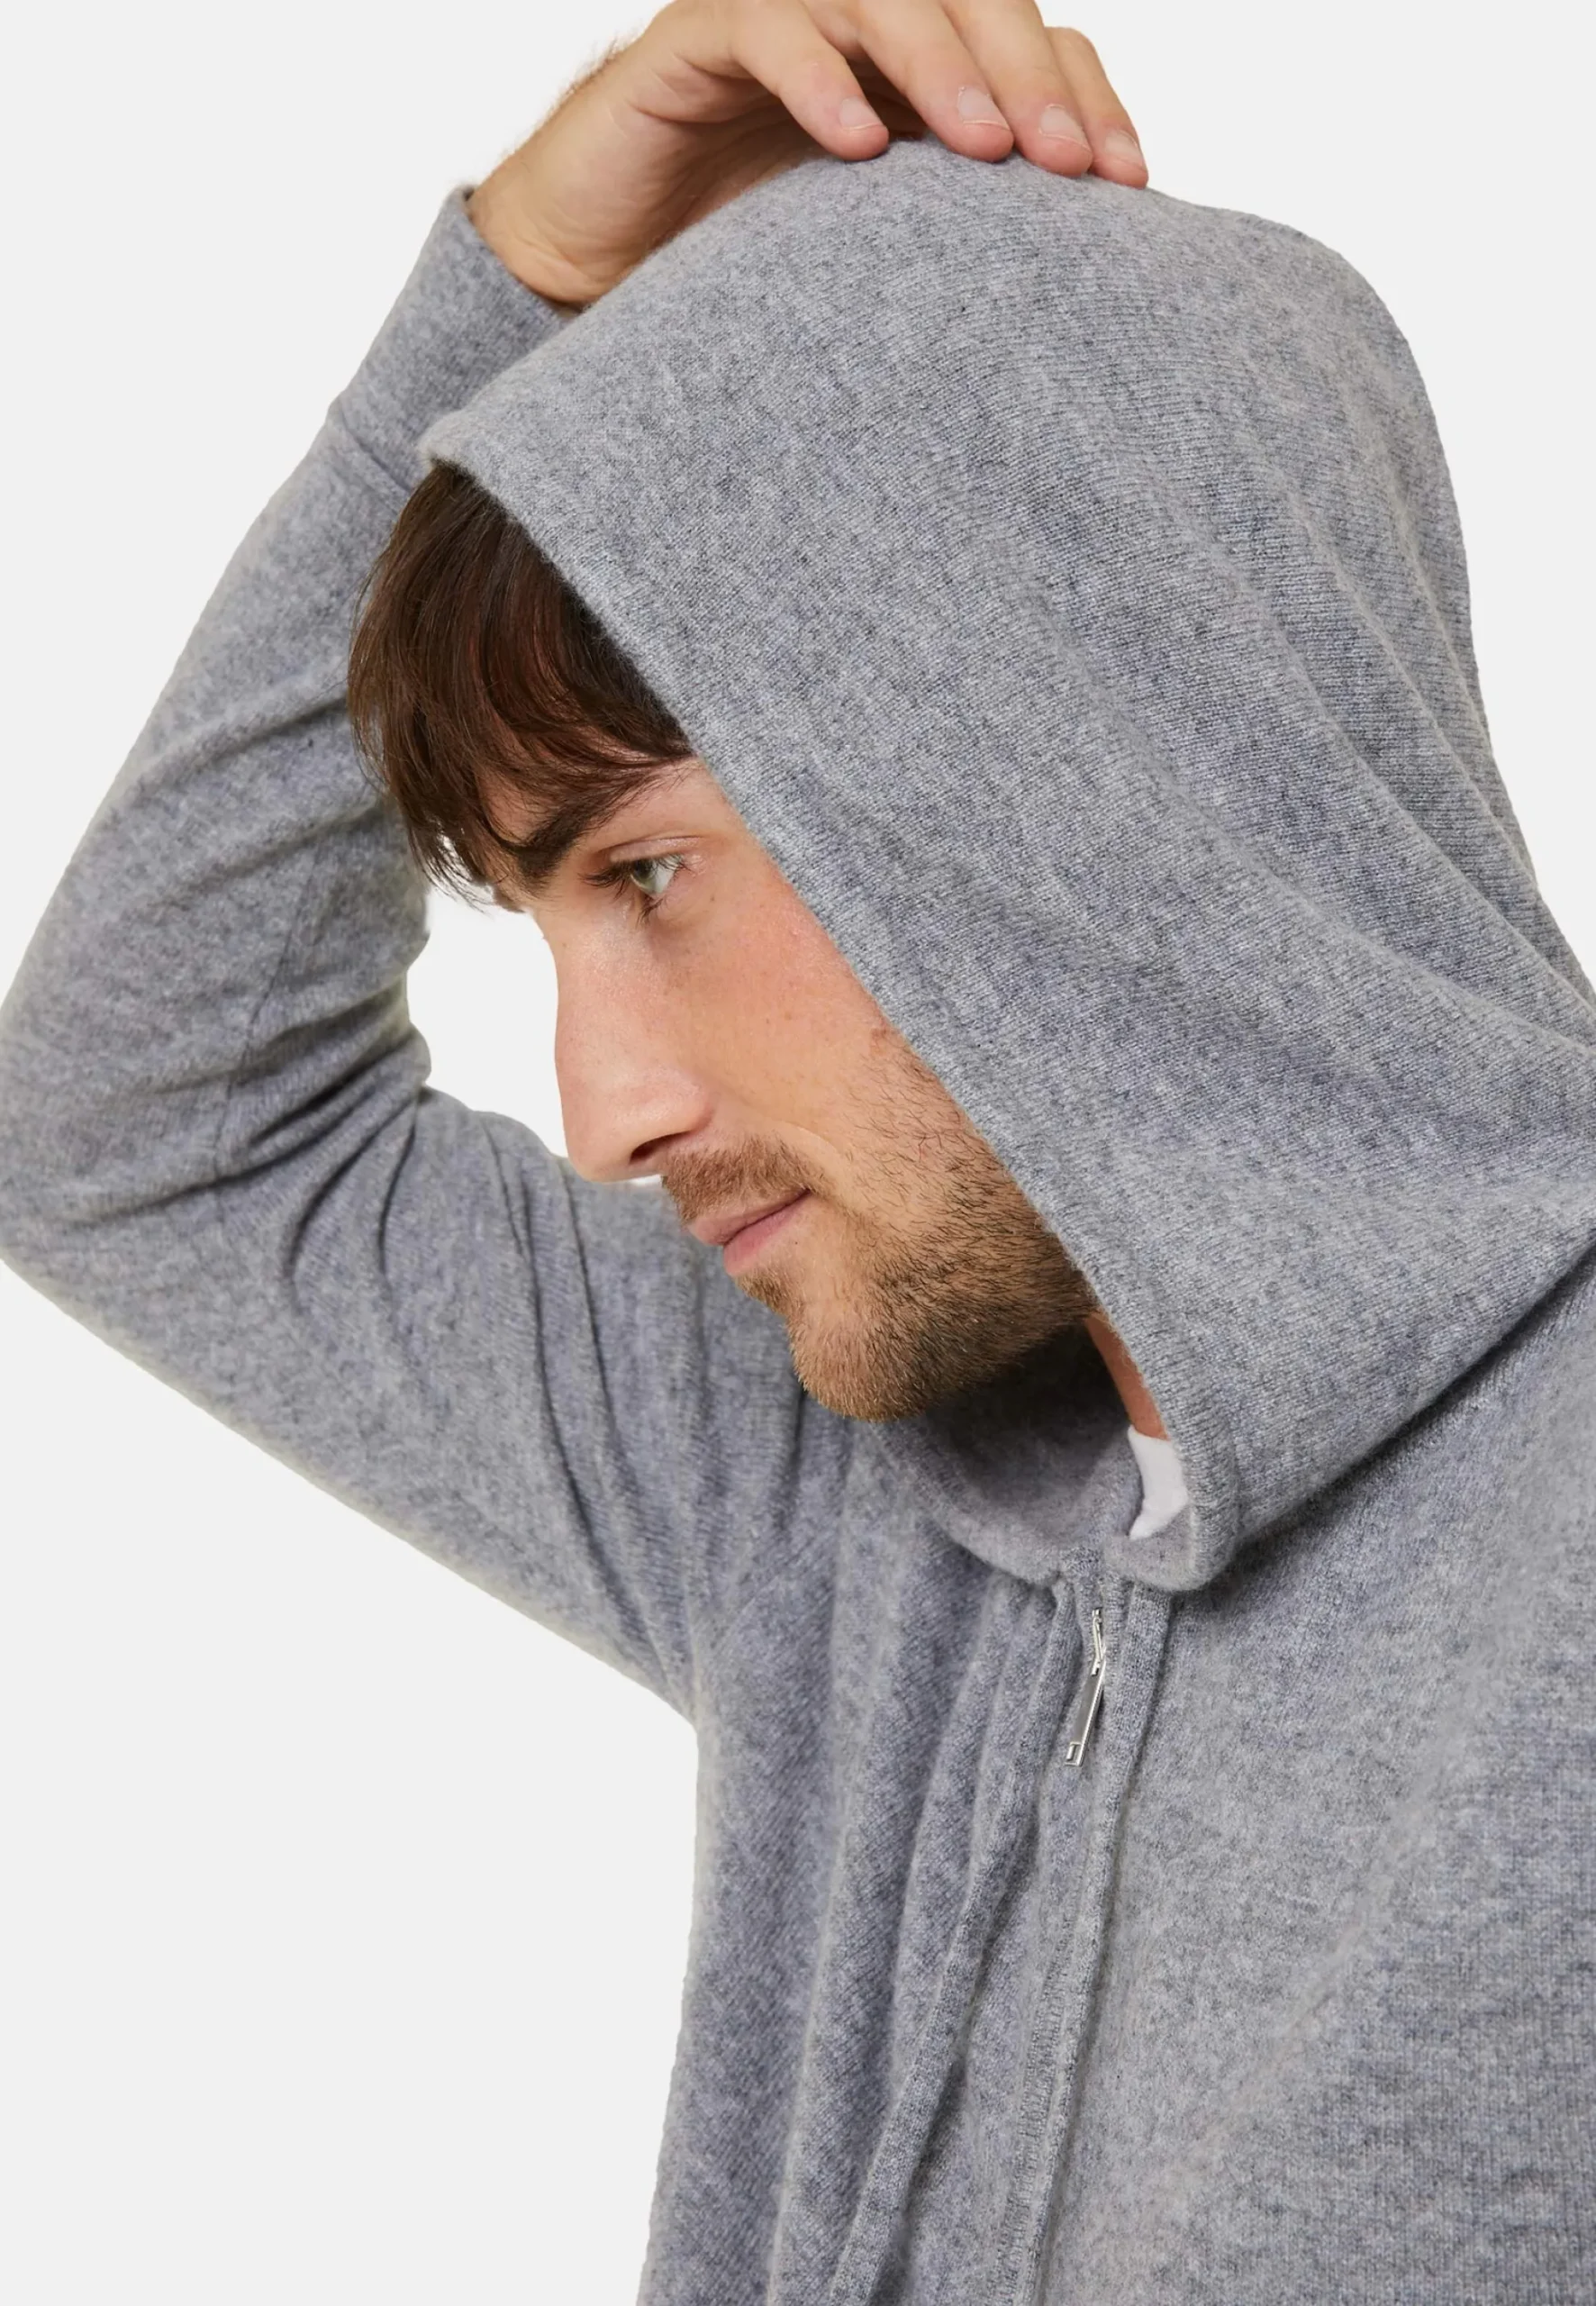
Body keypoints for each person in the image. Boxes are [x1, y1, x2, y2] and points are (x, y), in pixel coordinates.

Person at [1, 4, 1591, 2298]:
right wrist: (521, 293)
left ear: (1050, 766)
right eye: (541, 917)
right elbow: (147, 1125)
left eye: (648, 873)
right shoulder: (828, 1445)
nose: (601, 1113)